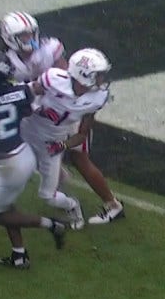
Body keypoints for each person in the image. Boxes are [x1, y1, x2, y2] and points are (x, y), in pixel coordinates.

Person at [0, 51, 69, 273]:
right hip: (24, 155)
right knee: (5, 204)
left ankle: (51, 225)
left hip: (8, 164)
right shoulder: (20, 92)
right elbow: (36, 93)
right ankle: (20, 256)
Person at [22, 48, 123, 228]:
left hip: (53, 138)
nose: (102, 79)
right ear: (84, 75)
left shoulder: (97, 98)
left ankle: (87, 204)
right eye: (98, 75)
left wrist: (62, 145)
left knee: (52, 188)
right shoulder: (54, 79)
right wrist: (33, 108)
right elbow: (26, 94)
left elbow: (82, 134)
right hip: (28, 127)